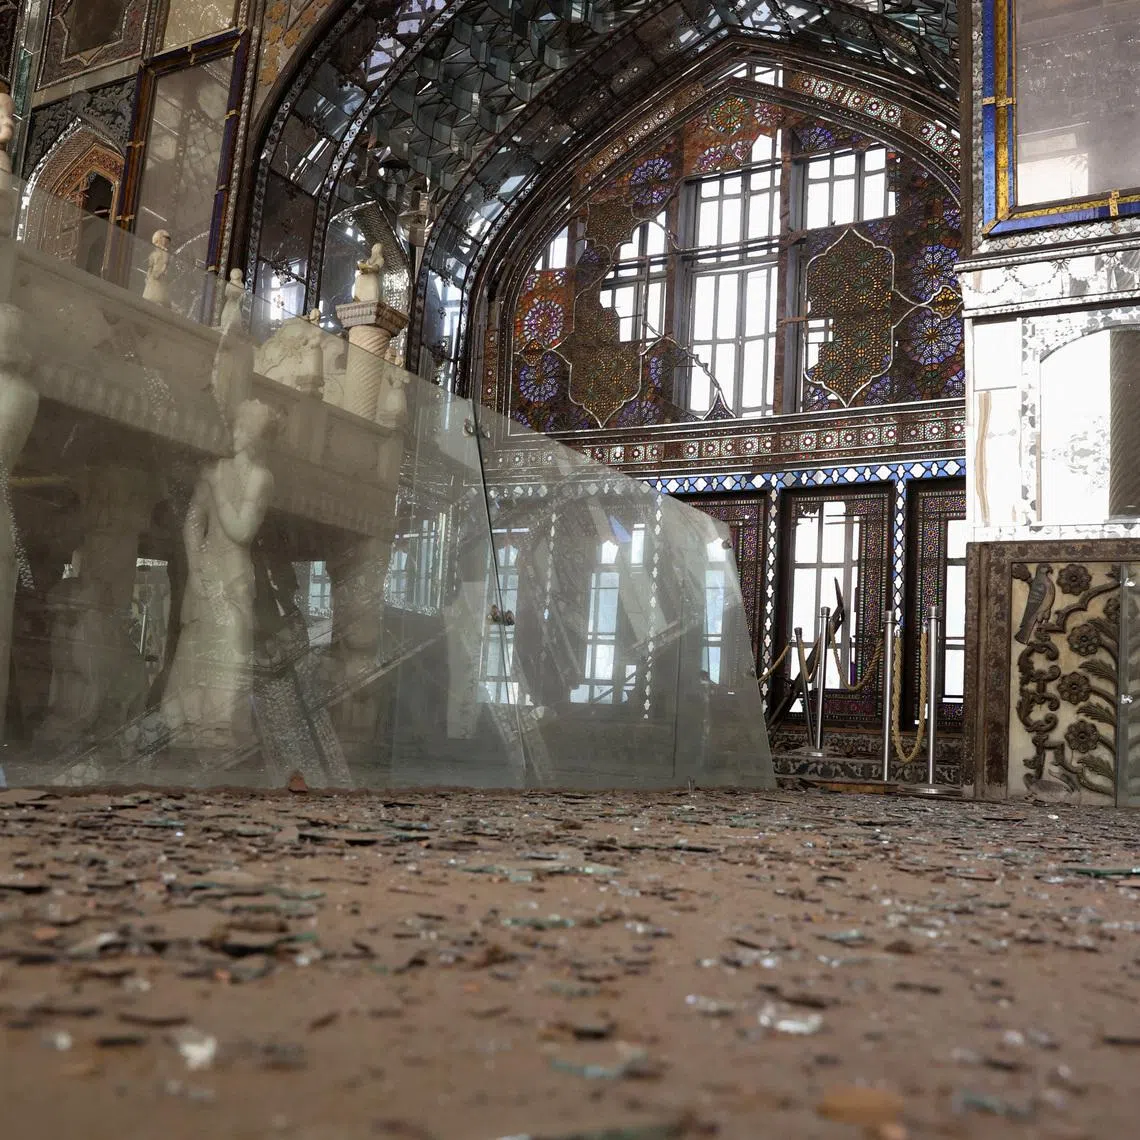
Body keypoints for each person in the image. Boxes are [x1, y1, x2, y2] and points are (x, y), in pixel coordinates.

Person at [162, 400, 277, 746]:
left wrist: (217, 489)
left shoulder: (261, 478)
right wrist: (195, 566)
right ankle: (185, 720)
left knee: (231, 642)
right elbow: (193, 522)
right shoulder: (215, 470)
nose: (240, 433)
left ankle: (222, 723)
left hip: (234, 572)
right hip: (208, 568)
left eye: (248, 428)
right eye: (239, 426)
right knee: (196, 642)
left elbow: (241, 530)